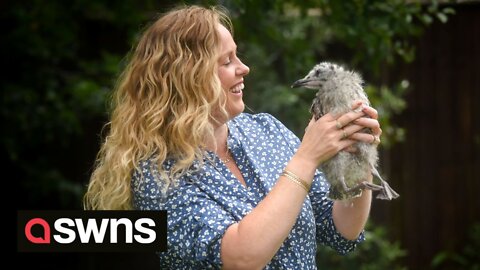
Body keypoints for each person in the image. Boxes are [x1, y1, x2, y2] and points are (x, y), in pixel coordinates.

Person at [84, 5, 383, 269]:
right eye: (226, 61)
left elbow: (341, 228)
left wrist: (358, 152)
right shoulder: (157, 175)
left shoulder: (268, 131)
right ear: (187, 78)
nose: (244, 68)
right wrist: (306, 158)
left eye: (237, 55)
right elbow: (242, 257)